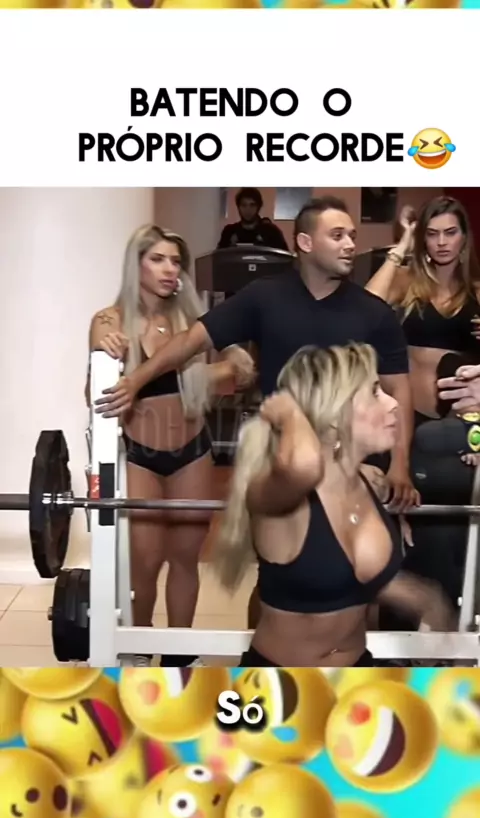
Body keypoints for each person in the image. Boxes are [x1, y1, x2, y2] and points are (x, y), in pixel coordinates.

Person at [94, 196, 418, 629]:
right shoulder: (264, 297)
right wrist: (135, 380)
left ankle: (348, 658)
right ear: (305, 242)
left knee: (360, 578)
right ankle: (261, 654)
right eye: (337, 235)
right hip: (283, 460)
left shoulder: (373, 313)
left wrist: (400, 464)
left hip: (353, 463)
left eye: (352, 236)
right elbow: (191, 342)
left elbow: (399, 390)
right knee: (275, 578)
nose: (349, 245)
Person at [212, 344, 454, 668]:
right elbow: (304, 465)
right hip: (283, 682)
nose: (393, 402)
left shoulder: (369, 481)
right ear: (336, 414)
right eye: (375, 392)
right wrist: (289, 413)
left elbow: (353, 578)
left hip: (355, 674)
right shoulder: (278, 494)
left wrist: (424, 598)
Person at [87, 224, 255, 667]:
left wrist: (212, 372)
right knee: (145, 561)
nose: (168, 269)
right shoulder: (110, 322)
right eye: (157, 259)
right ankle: (141, 647)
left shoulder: (193, 323)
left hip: (191, 451)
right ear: (136, 264)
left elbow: (242, 372)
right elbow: (95, 394)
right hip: (140, 454)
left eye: (175, 261)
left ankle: (179, 652)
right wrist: (105, 356)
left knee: (185, 559)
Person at [365, 195, 480, 629]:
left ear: (464, 237)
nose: (441, 242)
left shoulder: (476, 293)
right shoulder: (407, 282)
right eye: (432, 234)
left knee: (443, 538)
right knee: (396, 532)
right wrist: (404, 243)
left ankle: (445, 641)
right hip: (403, 421)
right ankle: (394, 644)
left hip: (454, 429)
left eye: (450, 232)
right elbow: (365, 307)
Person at [217, 188, 289, 251]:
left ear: (258, 207)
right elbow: (218, 258)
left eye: (252, 205)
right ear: (238, 207)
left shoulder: (271, 232)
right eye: (244, 205)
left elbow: (284, 258)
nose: (248, 210)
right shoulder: (229, 232)